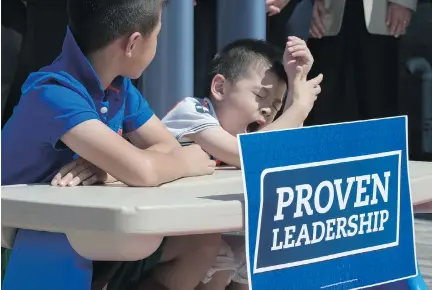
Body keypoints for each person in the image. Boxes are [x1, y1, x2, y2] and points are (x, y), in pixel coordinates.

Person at [1, 1, 222, 289]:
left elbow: (164, 148)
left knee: (201, 243)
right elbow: (145, 170)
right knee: (61, 248)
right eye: (156, 36)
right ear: (133, 43)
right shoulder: (53, 93)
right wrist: (187, 160)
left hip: (91, 232)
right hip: (31, 243)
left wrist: (109, 170)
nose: (158, 44)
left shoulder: (120, 87)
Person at [162, 37, 322, 289]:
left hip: (202, 229)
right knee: (216, 251)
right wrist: (298, 108)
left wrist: (297, 82)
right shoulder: (191, 112)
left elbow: (282, 149)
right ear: (220, 88)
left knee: (257, 254)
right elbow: (246, 153)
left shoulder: (248, 135)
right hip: (157, 235)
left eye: (277, 105)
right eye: (261, 95)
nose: (269, 110)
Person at [306, 0, 417, 125]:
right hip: (325, 13)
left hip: (381, 15)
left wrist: (403, 2)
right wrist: (306, 3)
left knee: (380, 109)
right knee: (320, 107)